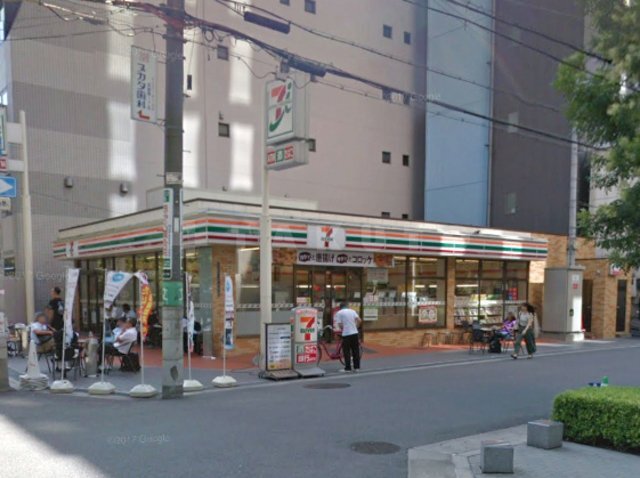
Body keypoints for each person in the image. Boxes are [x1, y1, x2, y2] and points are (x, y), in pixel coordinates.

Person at [333, 302, 362, 372]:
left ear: (340, 307)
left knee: (346, 352)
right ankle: (357, 367)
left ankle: (348, 368)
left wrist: (344, 329)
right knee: (355, 351)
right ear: (347, 306)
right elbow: (359, 320)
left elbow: (340, 324)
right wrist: (356, 327)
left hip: (346, 334)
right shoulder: (352, 311)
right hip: (355, 333)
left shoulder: (339, 313)